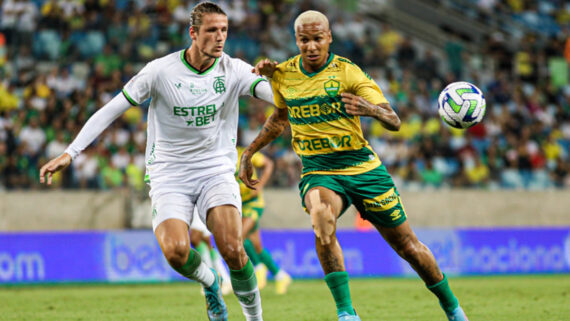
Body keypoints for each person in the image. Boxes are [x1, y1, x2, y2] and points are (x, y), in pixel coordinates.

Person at [40, 2, 273, 321]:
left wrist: (281, 84)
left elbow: (274, 95)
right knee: (177, 252)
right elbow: (112, 109)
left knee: (233, 248)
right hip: (169, 175)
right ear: (193, 33)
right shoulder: (160, 71)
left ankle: (255, 319)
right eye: (211, 31)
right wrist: (71, 152)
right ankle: (210, 281)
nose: (220, 38)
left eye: (224, 30)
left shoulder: (233, 70)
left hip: (215, 171)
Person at [240, 10, 468, 321]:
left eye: (317, 38)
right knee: (321, 218)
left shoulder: (348, 73)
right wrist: (250, 151)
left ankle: (452, 308)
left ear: (329, 37)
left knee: (408, 247)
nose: (310, 46)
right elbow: (281, 118)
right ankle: (347, 313)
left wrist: (370, 109)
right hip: (319, 170)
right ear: (296, 40)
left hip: (363, 169)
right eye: (304, 40)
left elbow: (394, 120)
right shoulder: (282, 74)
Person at [236, 143, 292, 294]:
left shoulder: (243, 154)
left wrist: (260, 185)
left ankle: (259, 268)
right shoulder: (220, 157)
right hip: (238, 204)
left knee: (239, 236)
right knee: (256, 245)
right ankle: (281, 276)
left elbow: (268, 164)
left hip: (253, 202)